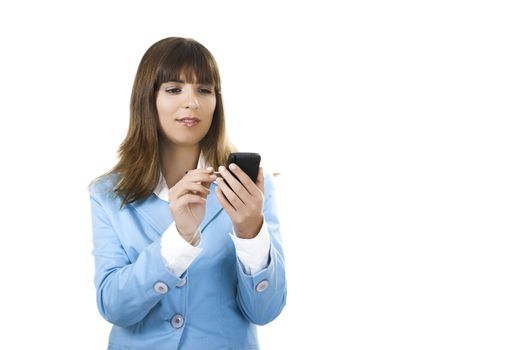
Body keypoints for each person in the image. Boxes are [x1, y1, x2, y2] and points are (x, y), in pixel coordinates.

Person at [89, 37, 286, 349]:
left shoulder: (252, 190)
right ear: (148, 98)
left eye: (204, 90)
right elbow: (113, 307)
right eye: (174, 89)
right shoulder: (107, 194)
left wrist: (250, 233)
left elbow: (265, 311)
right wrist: (179, 238)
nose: (192, 101)